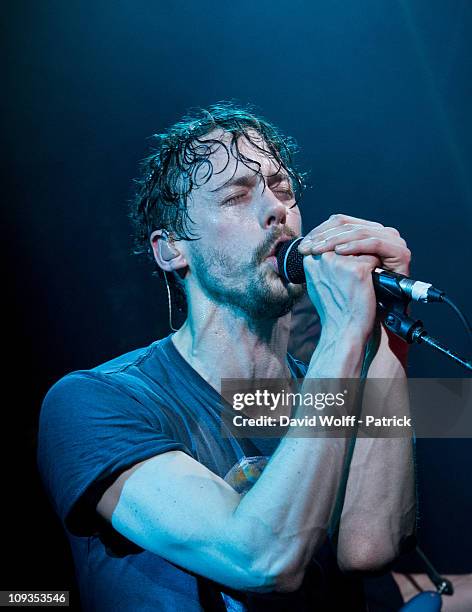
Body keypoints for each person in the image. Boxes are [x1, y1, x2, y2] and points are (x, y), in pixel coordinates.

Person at [38, 102, 416, 611]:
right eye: (237, 195)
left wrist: (382, 332)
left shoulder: (335, 382)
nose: (276, 209)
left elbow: (369, 547)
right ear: (171, 249)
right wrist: (343, 335)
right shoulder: (94, 401)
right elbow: (259, 558)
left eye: (283, 189)